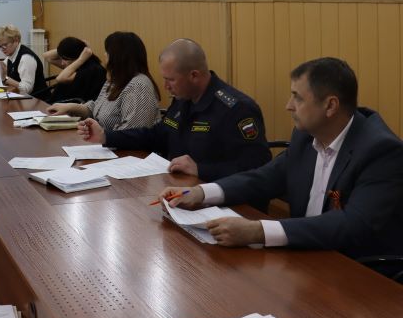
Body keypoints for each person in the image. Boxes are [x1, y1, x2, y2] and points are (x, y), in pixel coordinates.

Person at [160, 58, 403, 272]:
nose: (288, 105)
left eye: (297, 97)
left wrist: (258, 231)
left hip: (359, 272)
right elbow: (265, 177)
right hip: (306, 259)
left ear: (330, 106)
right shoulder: (306, 135)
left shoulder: (380, 151)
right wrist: (200, 193)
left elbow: (353, 225)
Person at [79, 38, 271, 182]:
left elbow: (257, 166)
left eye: (170, 80)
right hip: (180, 188)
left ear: (194, 76)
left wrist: (201, 169)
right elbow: (157, 135)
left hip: (224, 199)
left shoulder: (237, 109)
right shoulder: (183, 98)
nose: (165, 86)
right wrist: (106, 136)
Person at [48, 32, 161, 130]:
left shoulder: (138, 85)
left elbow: (133, 132)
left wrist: (102, 136)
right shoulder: (114, 80)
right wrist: (70, 107)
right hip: (103, 142)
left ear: (118, 56)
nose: (104, 55)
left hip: (120, 147)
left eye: (107, 52)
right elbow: (96, 108)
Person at [43, 36, 106, 103]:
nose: (62, 63)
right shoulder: (76, 65)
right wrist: (79, 46)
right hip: (57, 103)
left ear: (76, 57)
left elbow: (60, 78)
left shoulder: (91, 69)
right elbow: (47, 56)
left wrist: (81, 59)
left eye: (65, 59)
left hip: (69, 106)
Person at [0, 24, 48, 99]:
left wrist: (5, 79)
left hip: (37, 100)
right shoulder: (10, 56)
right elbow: (0, 72)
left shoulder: (26, 58)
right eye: (0, 46)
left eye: (5, 45)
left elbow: (27, 89)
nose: (2, 49)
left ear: (16, 41)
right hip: (20, 98)